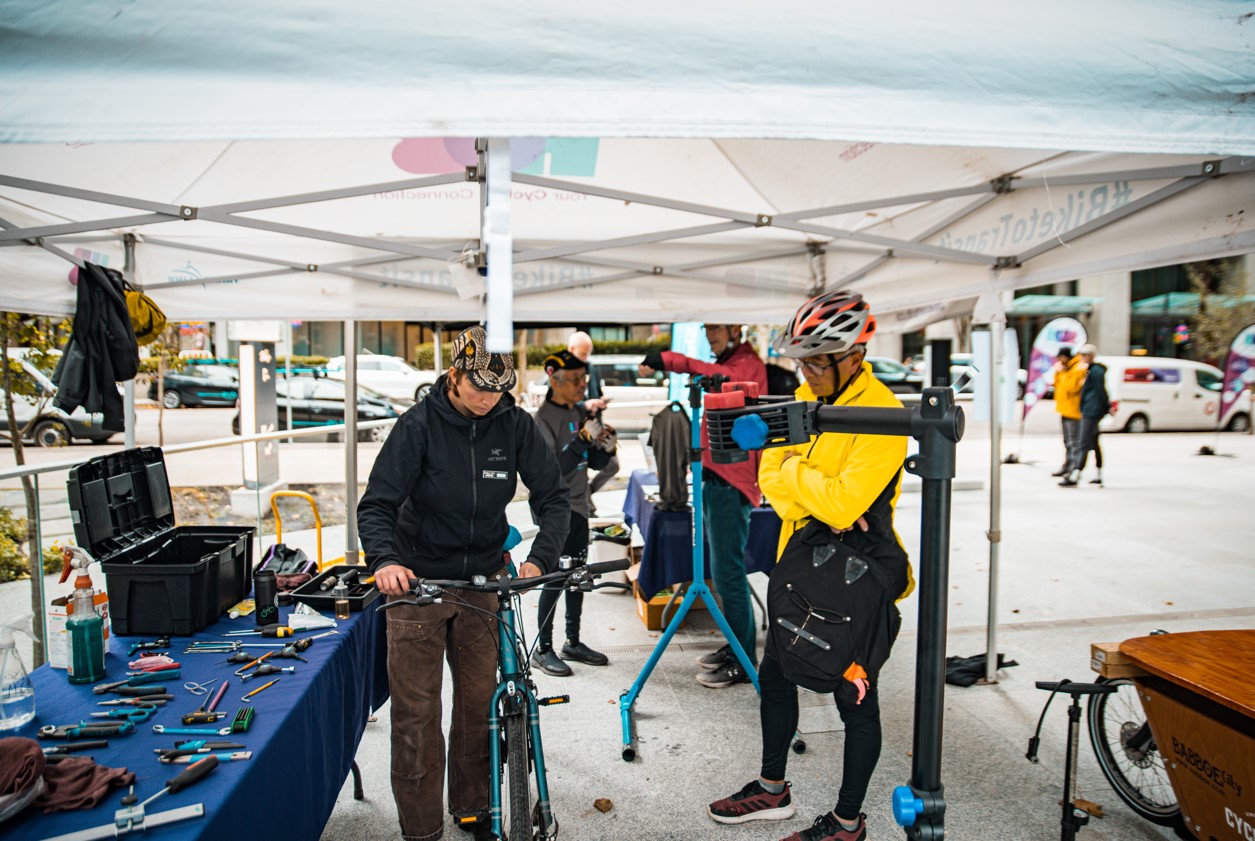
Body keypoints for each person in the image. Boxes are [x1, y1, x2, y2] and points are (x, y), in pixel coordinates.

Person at [707, 290, 913, 841]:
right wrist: (812, 489)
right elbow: (772, 477)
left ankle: (848, 823)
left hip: (859, 579)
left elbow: (843, 504)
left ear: (854, 355)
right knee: (775, 674)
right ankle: (772, 790)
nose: (808, 372)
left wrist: (804, 481)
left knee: (854, 699)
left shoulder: (884, 414)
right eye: (804, 360)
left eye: (819, 361)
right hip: (801, 564)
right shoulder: (800, 398)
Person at [357, 325, 570, 841]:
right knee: (417, 717)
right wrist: (385, 560)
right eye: (478, 389)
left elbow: (554, 499)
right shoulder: (417, 426)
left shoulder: (515, 425)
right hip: (418, 583)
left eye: (497, 391)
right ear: (454, 376)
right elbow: (377, 505)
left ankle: (475, 810)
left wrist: (539, 561)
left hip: (484, 582)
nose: (487, 400)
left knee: (479, 708)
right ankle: (422, 829)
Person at [639, 323, 768, 688]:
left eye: (716, 328)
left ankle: (744, 661)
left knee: (727, 573)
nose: (710, 334)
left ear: (734, 330)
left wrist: (670, 360)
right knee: (722, 572)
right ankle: (736, 646)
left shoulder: (747, 364)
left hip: (732, 482)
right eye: (707, 328)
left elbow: (724, 379)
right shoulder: (732, 359)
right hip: (715, 476)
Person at [530, 349, 614, 676]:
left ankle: (572, 641)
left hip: (579, 507)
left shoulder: (580, 410)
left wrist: (604, 448)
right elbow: (553, 470)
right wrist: (581, 440)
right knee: (554, 579)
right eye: (575, 380)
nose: (582, 386)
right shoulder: (541, 420)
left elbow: (589, 462)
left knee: (577, 576)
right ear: (554, 380)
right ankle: (544, 648)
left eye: (584, 379)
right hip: (554, 511)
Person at [567, 330, 619, 502]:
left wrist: (600, 403)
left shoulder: (592, 369)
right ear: (571, 349)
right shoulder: (562, 373)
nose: (586, 357)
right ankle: (587, 503)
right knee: (580, 471)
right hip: (575, 432)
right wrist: (585, 406)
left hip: (596, 429)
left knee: (612, 465)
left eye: (588, 353)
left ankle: (587, 495)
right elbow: (562, 406)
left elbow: (596, 393)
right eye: (583, 353)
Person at [1061, 343, 1109, 487]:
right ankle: (1098, 474)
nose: (1081, 358)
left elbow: (1101, 390)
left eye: (1084, 355)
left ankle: (1076, 473)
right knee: (1093, 441)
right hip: (1090, 408)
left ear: (1090, 356)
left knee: (1083, 441)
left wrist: (1106, 406)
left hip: (1092, 410)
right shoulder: (1090, 370)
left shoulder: (1095, 371)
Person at [1050, 347, 1086, 478]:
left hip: (1074, 410)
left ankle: (1073, 468)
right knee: (1067, 441)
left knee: (1074, 442)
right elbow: (1056, 384)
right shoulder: (1065, 369)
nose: (1059, 360)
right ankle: (1067, 465)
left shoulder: (1078, 368)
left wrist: (1063, 372)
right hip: (1064, 408)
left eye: (1061, 357)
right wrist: (1059, 372)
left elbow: (1071, 387)